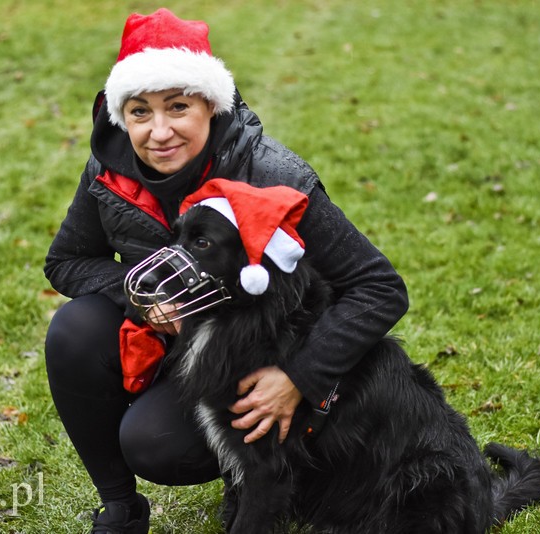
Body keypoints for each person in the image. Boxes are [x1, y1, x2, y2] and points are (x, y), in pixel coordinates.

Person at [44, 8, 408, 534]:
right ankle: (121, 507)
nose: (159, 131)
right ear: (121, 115)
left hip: (250, 356)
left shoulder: (274, 174)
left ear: (211, 106)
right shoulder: (110, 167)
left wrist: (300, 378)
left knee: (155, 444)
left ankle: (263, 475)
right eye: (140, 111)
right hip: (172, 342)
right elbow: (65, 261)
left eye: (178, 107)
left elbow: (379, 288)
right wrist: (143, 297)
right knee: (73, 330)